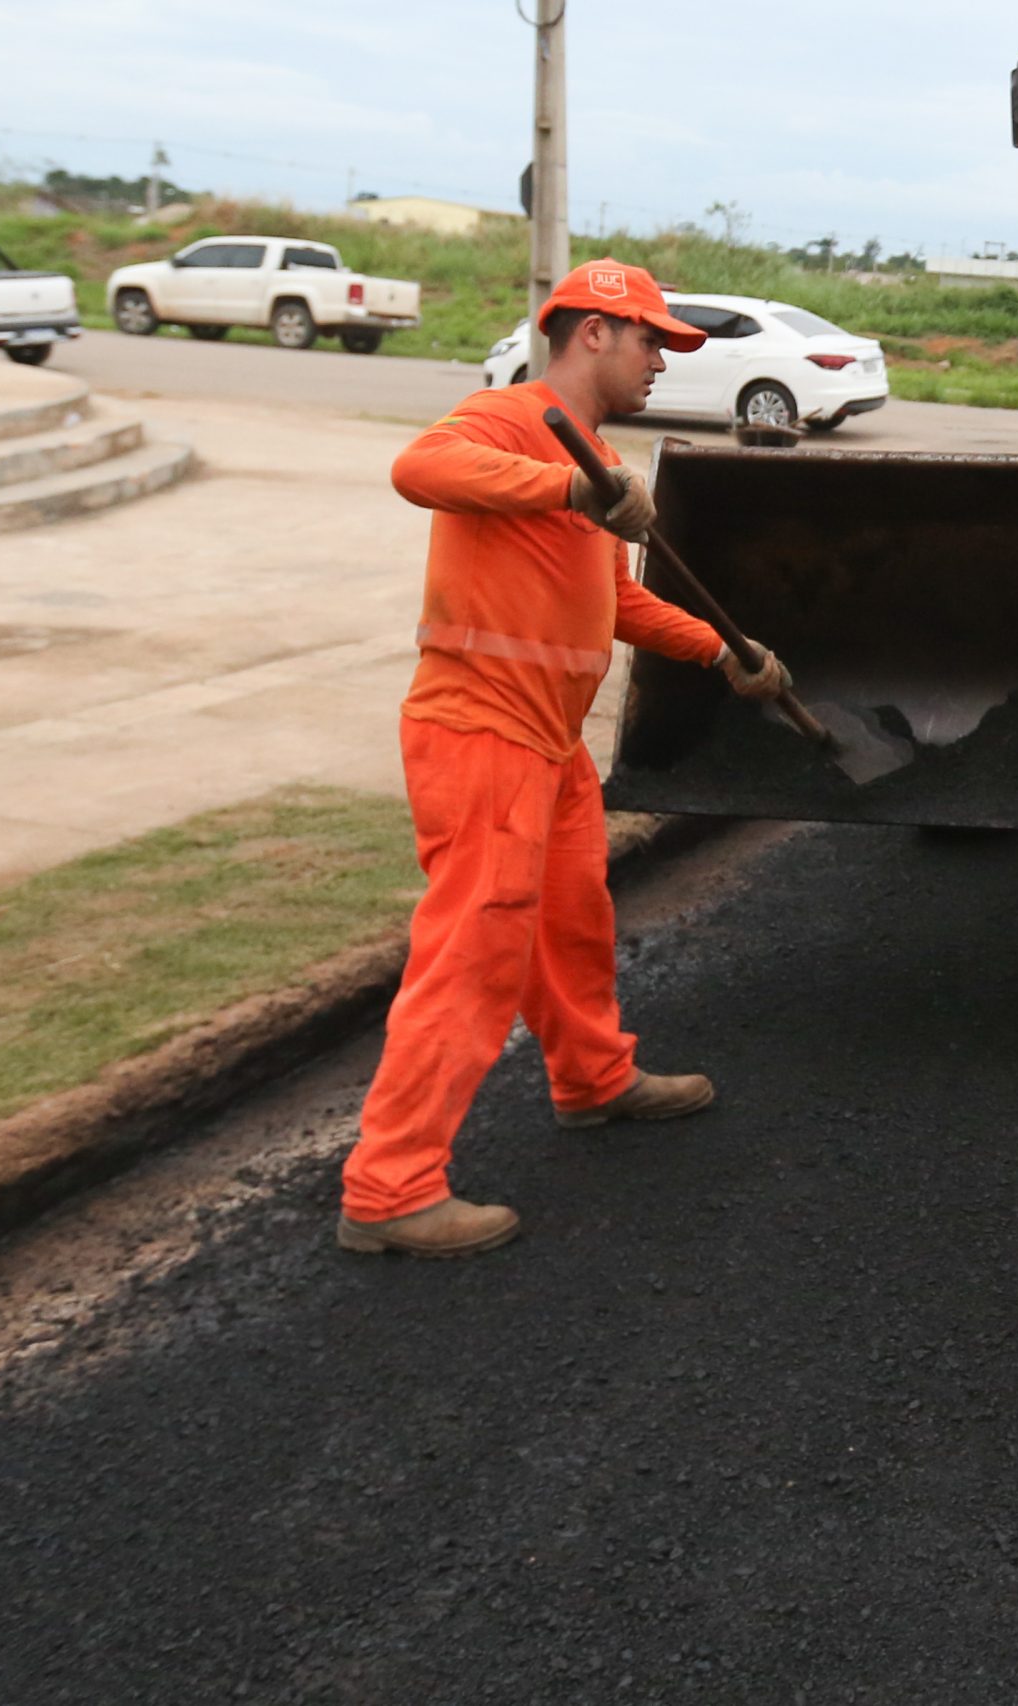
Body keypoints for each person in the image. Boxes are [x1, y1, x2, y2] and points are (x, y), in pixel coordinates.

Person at [336, 259, 793, 1258]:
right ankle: (390, 1186)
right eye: (651, 343)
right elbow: (418, 470)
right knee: (473, 951)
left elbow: (613, 602)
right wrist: (570, 489)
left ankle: (592, 1077)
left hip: (550, 738)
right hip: (481, 728)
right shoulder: (510, 421)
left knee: (571, 920)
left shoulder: (594, 460)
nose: (661, 364)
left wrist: (723, 650)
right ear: (591, 333)